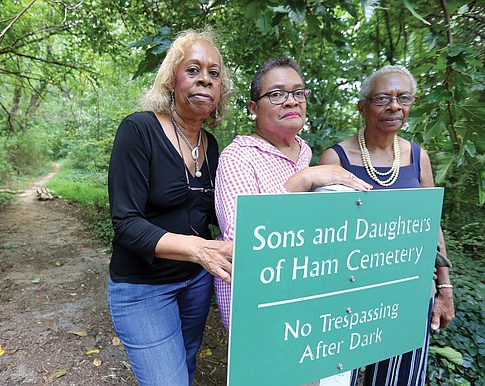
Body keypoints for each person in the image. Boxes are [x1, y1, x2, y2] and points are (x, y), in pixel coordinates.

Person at [107, 29, 232, 386]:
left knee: (186, 365)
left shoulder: (211, 144)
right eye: (193, 70)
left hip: (195, 282)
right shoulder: (138, 129)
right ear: (171, 79)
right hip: (143, 285)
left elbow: (216, 214)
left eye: (214, 73)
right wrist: (200, 249)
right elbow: (127, 223)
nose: (204, 80)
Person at [318, 64, 455, 386]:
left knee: (399, 379)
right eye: (383, 98)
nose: (394, 106)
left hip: (409, 290)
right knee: (338, 378)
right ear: (362, 106)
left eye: (403, 98)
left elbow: (431, 224)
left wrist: (444, 289)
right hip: (349, 298)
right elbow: (323, 237)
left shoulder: (417, 156)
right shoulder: (336, 159)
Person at [214, 57, 371, 332]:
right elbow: (242, 243)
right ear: (253, 108)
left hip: (300, 294)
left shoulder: (304, 151)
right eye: (276, 94)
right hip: (257, 302)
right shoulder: (238, 157)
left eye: (298, 93)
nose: (291, 101)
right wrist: (303, 179)